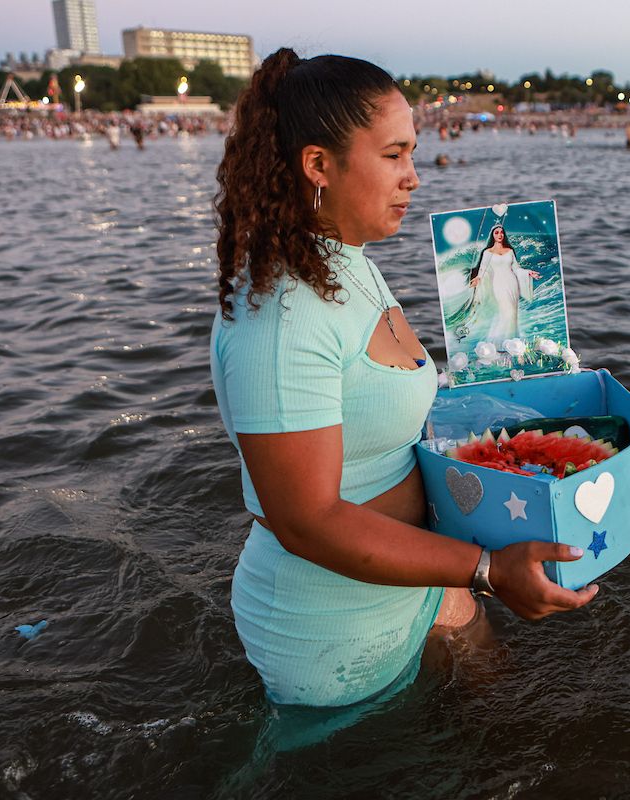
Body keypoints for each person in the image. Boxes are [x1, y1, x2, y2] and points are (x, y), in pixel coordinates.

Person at [210, 50, 597, 709]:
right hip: (333, 629)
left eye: (413, 154)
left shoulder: (348, 260)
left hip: (420, 576)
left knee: (518, 723)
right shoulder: (280, 319)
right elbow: (308, 520)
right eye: (394, 156)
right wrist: (483, 570)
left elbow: (384, 407)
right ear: (318, 166)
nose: (414, 178)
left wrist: (516, 382)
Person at [464, 224, 540, 341]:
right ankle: (498, 342)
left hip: (512, 284)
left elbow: (516, 268)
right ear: (492, 235)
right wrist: (478, 279)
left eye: (501, 232)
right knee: (506, 313)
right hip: (498, 285)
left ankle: (513, 343)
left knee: (512, 314)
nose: (500, 235)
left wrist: (528, 272)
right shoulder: (487, 252)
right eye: (496, 232)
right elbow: (483, 270)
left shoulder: (510, 251)